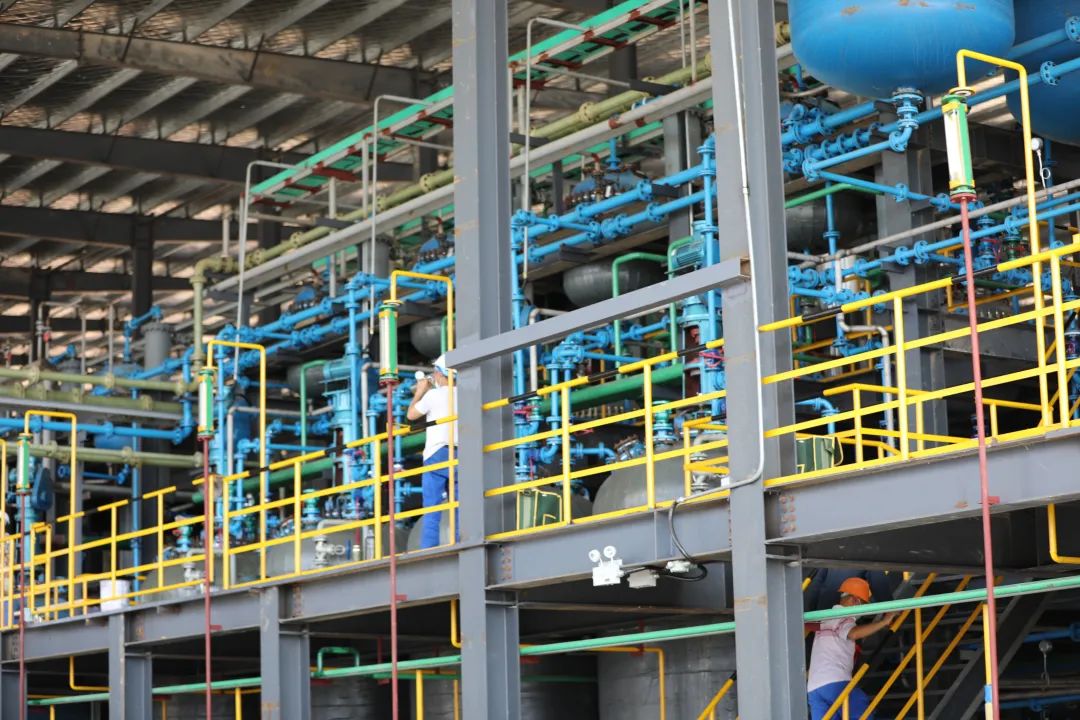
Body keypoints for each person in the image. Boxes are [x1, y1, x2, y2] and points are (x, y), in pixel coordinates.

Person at [807, 577, 895, 720]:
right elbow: (853, 633)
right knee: (863, 715)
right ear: (855, 600)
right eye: (863, 604)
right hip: (836, 681)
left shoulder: (824, 618)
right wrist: (884, 622)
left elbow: (808, 625)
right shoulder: (844, 618)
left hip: (814, 688)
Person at [406, 354, 458, 549]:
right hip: (461, 453)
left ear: (440, 374)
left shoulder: (433, 395)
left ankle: (429, 547)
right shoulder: (466, 394)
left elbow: (411, 415)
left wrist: (420, 391)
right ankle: (461, 542)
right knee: (459, 504)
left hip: (436, 453)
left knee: (432, 506)